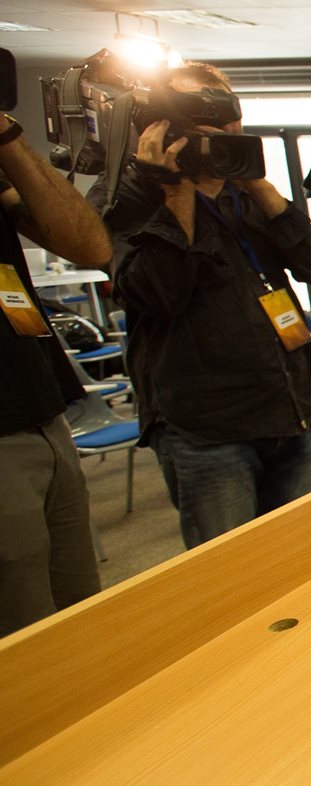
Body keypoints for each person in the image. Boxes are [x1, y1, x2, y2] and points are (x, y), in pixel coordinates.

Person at [104, 62, 311, 550]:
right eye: (204, 115)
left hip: (287, 406)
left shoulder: (248, 195)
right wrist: (176, 194)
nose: (225, 128)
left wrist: (260, 188)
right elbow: (157, 294)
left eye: (230, 114)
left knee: (302, 556)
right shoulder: (128, 196)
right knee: (233, 573)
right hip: (208, 429)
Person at [0, 109, 111, 636]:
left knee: (79, 612)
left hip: (42, 414)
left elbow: (90, 246)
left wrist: (9, 139)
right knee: (23, 630)